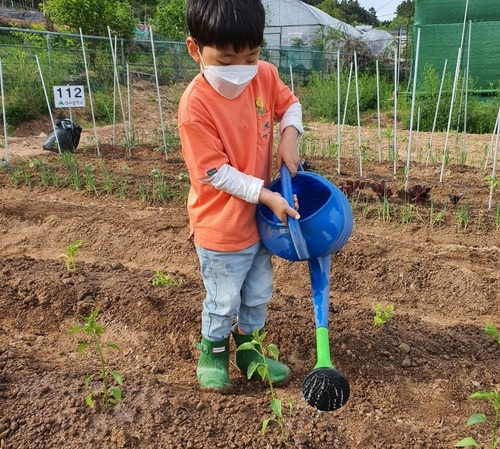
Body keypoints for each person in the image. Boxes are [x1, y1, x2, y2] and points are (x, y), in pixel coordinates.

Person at [178, 0, 304, 391]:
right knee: (222, 299)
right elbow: (215, 172)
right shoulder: (195, 105)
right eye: (227, 59)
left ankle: (249, 349)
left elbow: (291, 105)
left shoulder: (263, 75)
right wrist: (265, 195)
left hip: (260, 221)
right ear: (195, 49)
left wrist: (289, 137)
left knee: (257, 293)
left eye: (250, 56)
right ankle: (212, 353)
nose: (241, 70)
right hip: (221, 227)